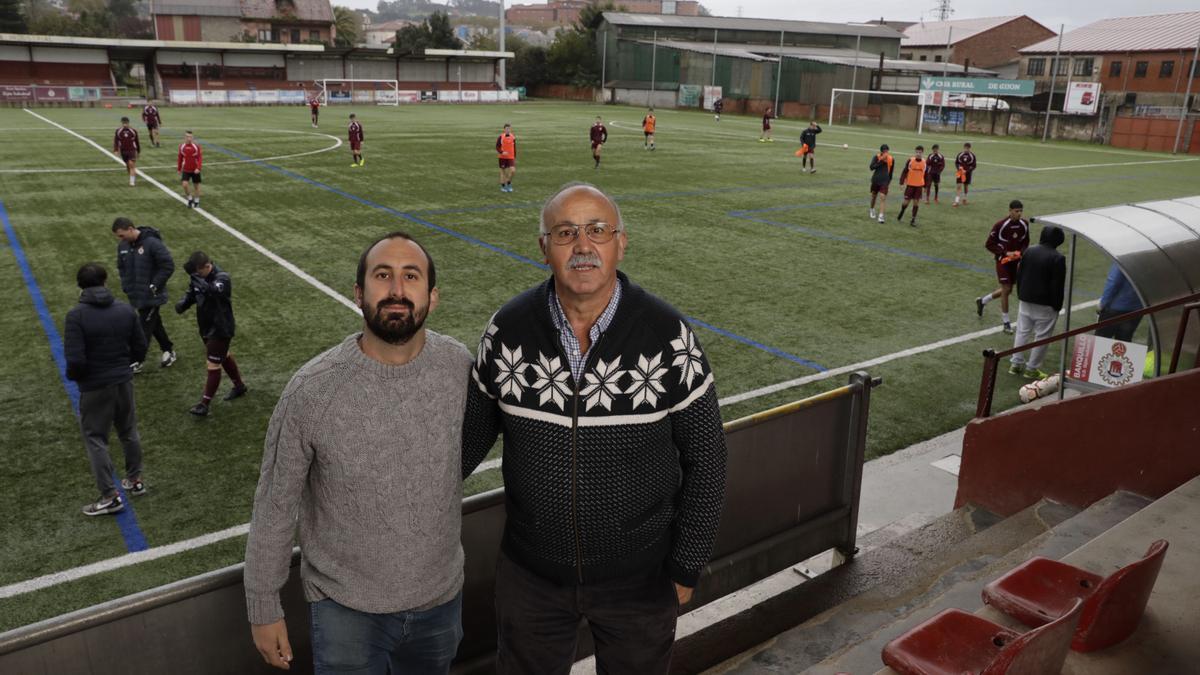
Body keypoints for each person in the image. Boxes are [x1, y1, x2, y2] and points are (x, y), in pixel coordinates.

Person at [463, 183, 728, 675]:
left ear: (620, 243)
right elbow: (465, 443)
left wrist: (685, 563)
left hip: (642, 581)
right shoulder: (507, 330)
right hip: (530, 580)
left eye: (597, 231)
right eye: (565, 232)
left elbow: (708, 458)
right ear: (543, 247)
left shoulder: (668, 336)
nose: (583, 246)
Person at [245, 232, 472, 673]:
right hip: (345, 612)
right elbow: (275, 504)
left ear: (433, 295)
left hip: (442, 603)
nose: (397, 291)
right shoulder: (311, 391)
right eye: (382, 275)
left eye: (411, 276)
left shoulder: (458, 367)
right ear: (358, 292)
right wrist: (263, 606)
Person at [64, 262, 148, 516]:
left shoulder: (76, 316)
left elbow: (76, 360)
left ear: (80, 286)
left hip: (96, 385)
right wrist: (124, 364)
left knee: (95, 438)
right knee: (128, 431)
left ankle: (110, 496)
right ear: (105, 281)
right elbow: (141, 346)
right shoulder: (125, 309)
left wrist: (77, 377)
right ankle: (135, 480)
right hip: (123, 380)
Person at [176, 251, 247, 416]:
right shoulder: (198, 276)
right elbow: (193, 292)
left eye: (199, 272)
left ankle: (204, 404)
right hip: (206, 326)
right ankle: (239, 386)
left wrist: (200, 281)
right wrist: (183, 304)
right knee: (224, 355)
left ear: (208, 266)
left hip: (220, 328)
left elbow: (213, 291)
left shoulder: (222, 278)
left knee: (213, 364)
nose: (197, 275)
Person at [112, 217, 177, 371]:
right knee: (154, 323)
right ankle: (168, 349)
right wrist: (126, 285)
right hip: (136, 294)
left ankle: (136, 360)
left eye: (121, 235)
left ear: (130, 229)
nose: (120, 239)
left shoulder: (152, 243)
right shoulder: (123, 246)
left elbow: (168, 265)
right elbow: (121, 267)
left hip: (152, 296)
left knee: (143, 327)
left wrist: (155, 285)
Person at [1009, 226, 1066, 380]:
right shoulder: (1058, 258)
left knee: (1022, 331)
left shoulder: (1029, 250)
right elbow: (1057, 285)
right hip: (1045, 304)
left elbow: (1020, 274)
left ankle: (1015, 363)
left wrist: (1021, 293)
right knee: (1042, 336)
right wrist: (1057, 305)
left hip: (1025, 299)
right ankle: (1031, 369)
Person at [975, 200, 1031, 334]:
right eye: (1016, 211)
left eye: (1021, 211)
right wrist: (1005, 253)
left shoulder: (1024, 224)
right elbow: (989, 244)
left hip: (1016, 262)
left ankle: (983, 301)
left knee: (1008, 290)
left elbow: (1026, 241)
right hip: (1003, 261)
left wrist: (1021, 253)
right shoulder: (1000, 225)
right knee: (1006, 288)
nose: (1019, 214)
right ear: (1010, 211)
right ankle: (1006, 323)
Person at [1096, 262, 1144, 341]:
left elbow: (1113, 282)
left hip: (1115, 308)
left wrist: (1103, 303)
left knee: (1101, 340)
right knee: (1124, 342)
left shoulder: (1122, 260)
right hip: (1137, 308)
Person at [896, 145, 926, 227]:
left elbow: (926, 175)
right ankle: (902, 212)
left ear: (922, 153)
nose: (918, 154)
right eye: (917, 152)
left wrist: (925, 187)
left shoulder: (924, 162)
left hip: (919, 186)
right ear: (915, 152)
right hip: (910, 185)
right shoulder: (910, 160)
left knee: (916, 203)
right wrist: (901, 182)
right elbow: (904, 171)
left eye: (920, 152)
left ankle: (913, 220)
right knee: (906, 203)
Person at [869, 144, 894, 224]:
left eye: (887, 151)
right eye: (884, 151)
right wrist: (881, 161)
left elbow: (891, 172)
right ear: (881, 152)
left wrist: (889, 181)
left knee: (883, 197)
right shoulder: (876, 157)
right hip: (876, 180)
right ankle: (872, 209)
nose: (886, 153)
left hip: (885, 181)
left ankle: (881, 216)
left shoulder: (891, 159)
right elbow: (871, 167)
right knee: (874, 196)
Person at [177, 130, 203, 209]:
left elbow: (199, 158)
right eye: (187, 137)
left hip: (195, 170)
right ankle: (190, 199)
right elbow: (180, 158)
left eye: (190, 137)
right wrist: (179, 168)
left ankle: (197, 201)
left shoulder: (196, 146)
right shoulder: (182, 146)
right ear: (184, 137)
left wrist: (198, 168)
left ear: (193, 138)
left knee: (196, 186)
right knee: (184, 184)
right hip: (186, 169)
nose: (189, 138)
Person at [113, 117, 140, 187]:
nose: (125, 124)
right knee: (128, 165)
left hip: (132, 150)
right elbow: (116, 141)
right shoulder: (118, 131)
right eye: (123, 123)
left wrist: (138, 151)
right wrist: (116, 150)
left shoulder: (133, 131)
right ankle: (132, 176)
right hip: (123, 151)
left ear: (128, 123)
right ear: (122, 123)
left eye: (126, 123)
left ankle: (132, 182)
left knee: (131, 164)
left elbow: (137, 141)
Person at [953, 142, 976, 207]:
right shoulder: (960, 154)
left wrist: (967, 171)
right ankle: (956, 201)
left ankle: (965, 198)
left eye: (967, 148)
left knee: (965, 186)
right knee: (959, 186)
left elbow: (974, 166)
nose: (966, 149)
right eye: (965, 148)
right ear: (964, 148)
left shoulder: (972, 156)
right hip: (960, 173)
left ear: (969, 148)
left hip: (967, 174)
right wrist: (958, 168)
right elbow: (956, 162)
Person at [496, 123, 517, 193]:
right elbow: (497, 147)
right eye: (506, 129)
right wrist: (502, 152)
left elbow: (514, 147)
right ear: (504, 129)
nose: (508, 130)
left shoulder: (513, 137)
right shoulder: (501, 137)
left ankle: (508, 182)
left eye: (509, 129)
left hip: (511, 157)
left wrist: (515, 156)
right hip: (502, 157)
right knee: (503, 172)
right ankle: (503, 186)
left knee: (513, 171)